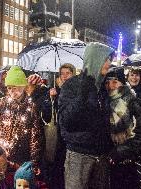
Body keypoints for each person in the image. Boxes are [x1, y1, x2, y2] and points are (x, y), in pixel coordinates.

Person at [58, 42, 115, 189]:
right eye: (106, 59)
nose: (109, 63)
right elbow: (66, 121)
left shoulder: (104, 87)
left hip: (102, 155)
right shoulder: (72, 85)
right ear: (96, 59)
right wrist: (82, 93)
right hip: (79, 155)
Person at [0, 65, 43, 167]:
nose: (12, 91)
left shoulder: (31, 107)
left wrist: (34, 162)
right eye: (9, 88)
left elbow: (35, 136)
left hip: (21, 158)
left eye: (15, 88)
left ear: (23, 86)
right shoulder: (1, 103)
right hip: (0, 155)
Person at [103, 67, 141, 189]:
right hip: (111, 162)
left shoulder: (133, 102)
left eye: (115, 81)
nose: (111, 86)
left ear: (122, 82)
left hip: (133, 162)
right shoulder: (104, 102)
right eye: (107, 82)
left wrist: (121, 151)